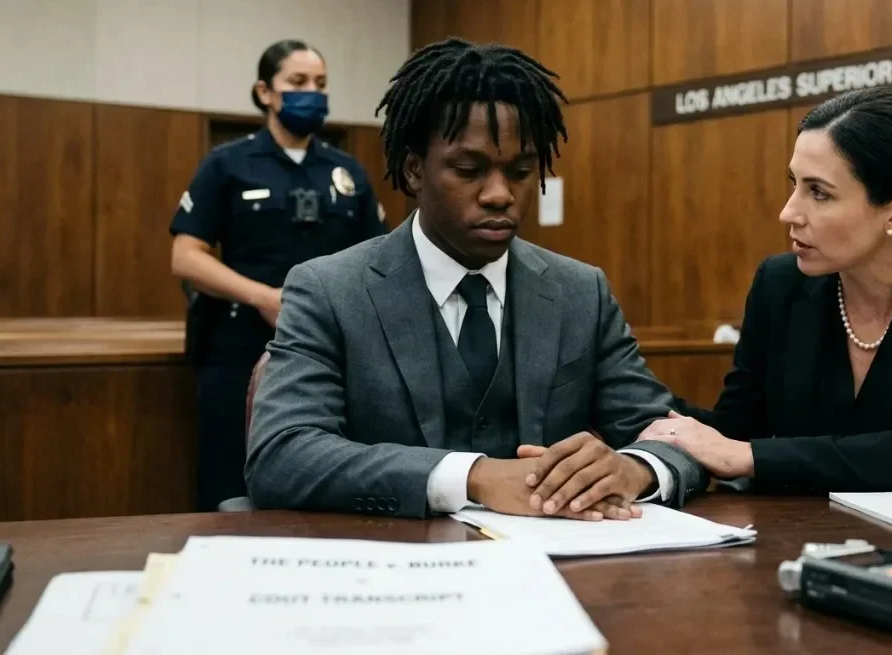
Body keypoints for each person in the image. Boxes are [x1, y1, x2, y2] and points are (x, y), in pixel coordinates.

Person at [244, 37, 705, 520]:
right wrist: (471, 477)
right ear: (414, 170)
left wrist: (636, 468)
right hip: (395, 558)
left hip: (555, 561)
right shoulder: (329, 290)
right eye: (469, 170)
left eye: (521, 171)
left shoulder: (580, 292)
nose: (499, 194)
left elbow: (675, 435)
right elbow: (282, 454)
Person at [639, 88, 892, 493]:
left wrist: (747, 456)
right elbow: (734, 428)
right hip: (804, 527)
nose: (788, 212)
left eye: (819, 192)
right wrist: (619, 390)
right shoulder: (780, 284)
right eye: (794, 184)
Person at [170, 39, 386, 512]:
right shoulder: (227, 164)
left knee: (322, 481)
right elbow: (185, 257)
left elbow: (380, 258)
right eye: (298, 82)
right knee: (227, 485)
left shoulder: (346, 171)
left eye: (321, 84)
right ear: (265, 92)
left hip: (330, 352)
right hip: (238, 346)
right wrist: (264, 297)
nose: (313, 93)